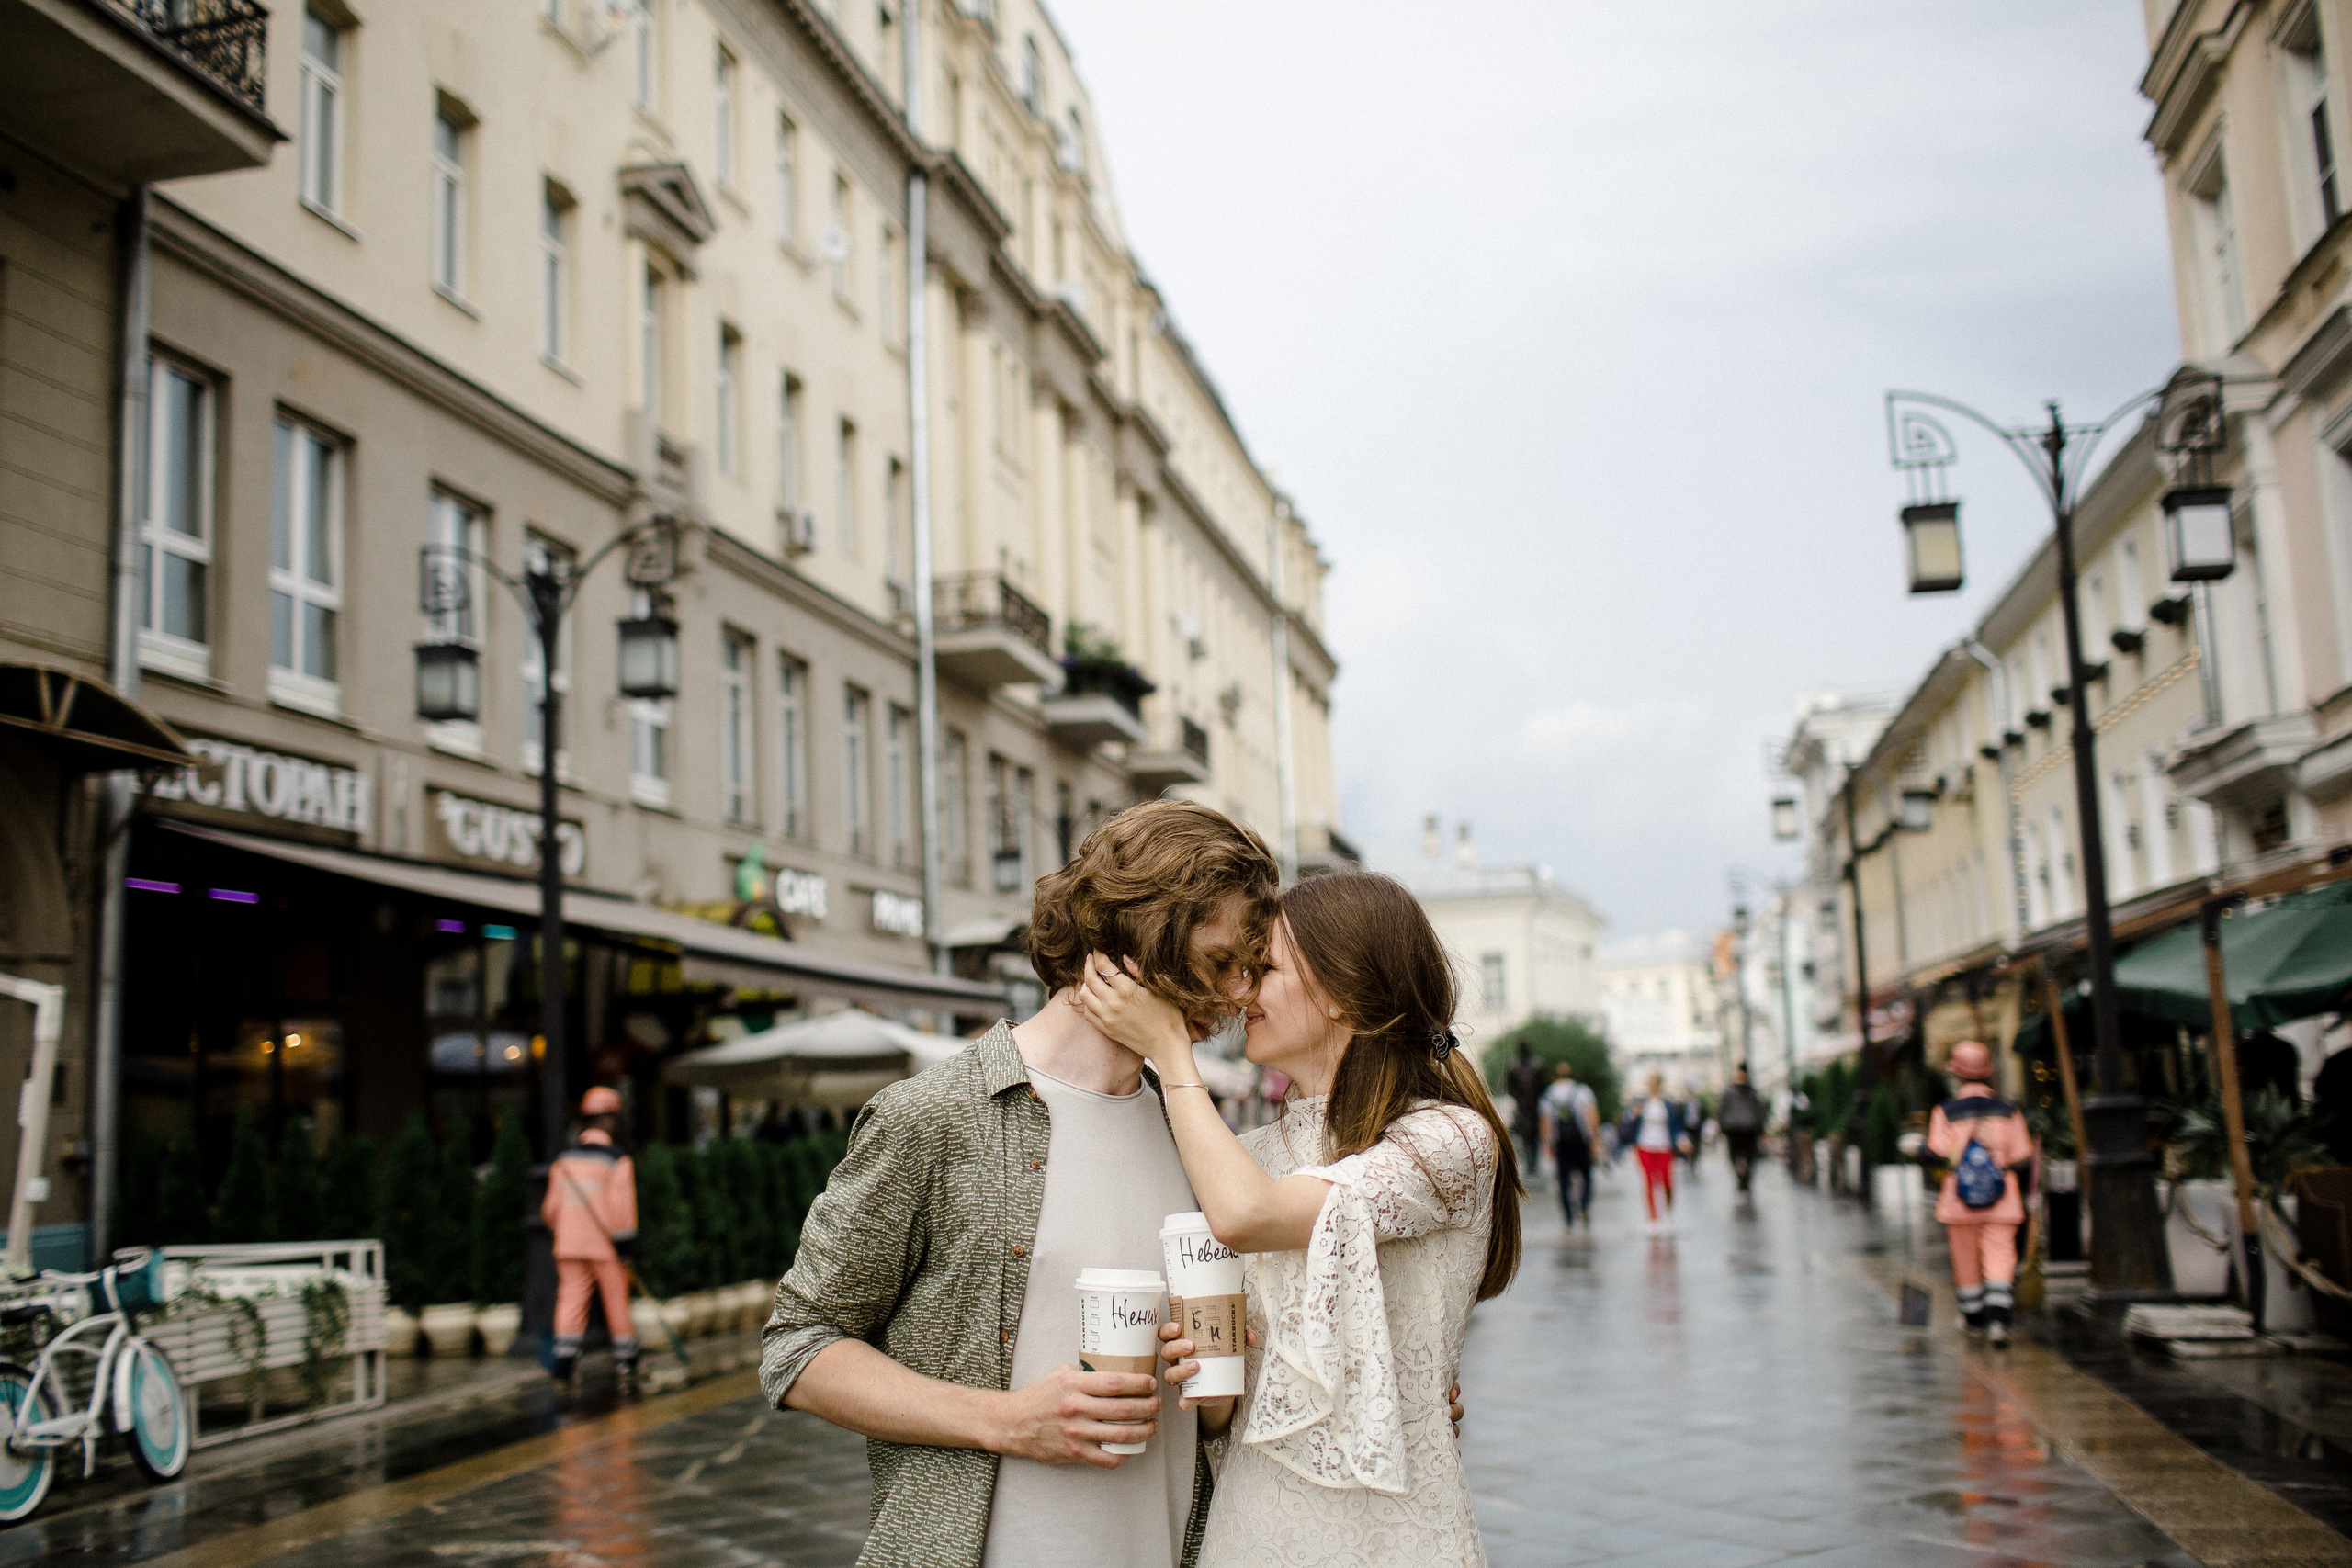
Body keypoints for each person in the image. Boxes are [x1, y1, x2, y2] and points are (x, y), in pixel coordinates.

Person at [760, 801, 1278, 1568]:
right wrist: (1006, 1419)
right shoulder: (937, 1115)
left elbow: (1211, 1413)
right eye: (1220, 960)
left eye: (1251, 967)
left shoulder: (1195, 1133)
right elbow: (796, 1346)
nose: (1239, 995)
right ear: (1136, 935)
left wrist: (1221, 1380)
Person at [1077, 870, 1521, 1567]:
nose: (1242, 992)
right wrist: (1206, 1372)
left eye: (1266, 969)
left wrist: (1172, 1053)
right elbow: (1230, 1411)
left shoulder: (1447, 1139)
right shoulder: (1244, 1155)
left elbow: (1249, 1215)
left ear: (1342, 992)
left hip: (1396, 1538)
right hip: (1250, 1533)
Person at [1928, 1040, 2037, 1347]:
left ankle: (1974, 1320)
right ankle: (1999, 1322)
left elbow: (1938, 1153)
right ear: (1988, 1071)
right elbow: (2021, 1156)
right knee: (2000, 1256)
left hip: (1959, 1202)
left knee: (1966, 1261)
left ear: (1957, 1074)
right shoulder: (2008, 1110)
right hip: (2003, 1200)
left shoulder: (1946, 1112)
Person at [541, 1086, 639, 1382]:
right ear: (610, 1120)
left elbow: (550, 1209)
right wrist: (626, 1246)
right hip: (606, 1246)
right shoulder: (617, 1159)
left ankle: (564, 1361)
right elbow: (621, 1209)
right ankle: (627, 1361)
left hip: (568, 1244)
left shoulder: (563, 1161)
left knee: (571, 1300)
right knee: (616, 1301)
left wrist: (566, 1229)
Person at [1620, 1073, 1690, 1228]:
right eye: (1650, 1083)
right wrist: (1634, 1115)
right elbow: (1628, 1124)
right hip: (1645, 1146)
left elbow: (1677, 1126)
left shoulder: (1669, 1105)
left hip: (1665, 1146)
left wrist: (1682, 1140)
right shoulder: (1640, 1104)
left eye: (1656, 1083)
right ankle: (1653, 1219)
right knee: (1650, 1181)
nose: (1653, 1086)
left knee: (1667, 1181)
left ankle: (1669, 1211)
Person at [1539, 1062, 1598, 1226]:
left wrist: (1547, 1144)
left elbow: (1545, 1122)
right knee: (1586, 1176)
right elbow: (1592, 1116)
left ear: (1556, 1075)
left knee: (1563, 1180)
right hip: (1581, 1141)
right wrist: (1594, 1139)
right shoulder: (1583, 1091)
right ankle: (1584, 1205)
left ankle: (1568, 1215)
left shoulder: (1548, 1094)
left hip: (1560, 1143)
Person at [1717, 1064, 1766, 1197]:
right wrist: (1723, 1127)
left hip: (1749, 1130)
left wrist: (1761, 1128)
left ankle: (1745, 1181)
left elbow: (1759, 1111)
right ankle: (1741, 1179)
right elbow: (1722, 1111)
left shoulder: (1751, 1092)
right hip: (1734, 1130)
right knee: (1734, 1157)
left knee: (1751, 1157)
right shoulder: (1730, 1092)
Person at [1504, 1041, 1545, 1180]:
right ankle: (1529, 1165)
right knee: (1525, 1135)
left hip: (1535, 1106)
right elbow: (1510, 1086)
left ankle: (1534, 1164)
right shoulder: (1514, 1067)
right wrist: (1518, 1099)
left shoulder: (1537, 1065)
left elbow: (1543, 1085)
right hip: (1522, 1107)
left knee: (1535, 1135)